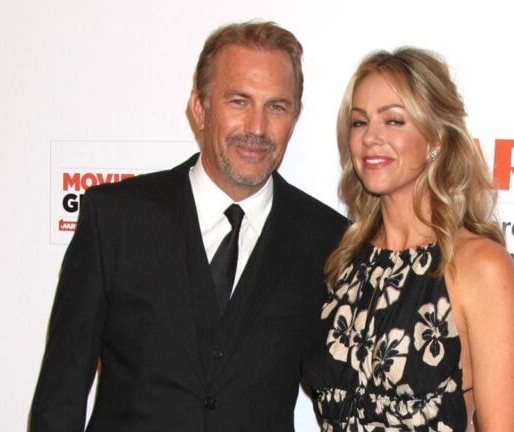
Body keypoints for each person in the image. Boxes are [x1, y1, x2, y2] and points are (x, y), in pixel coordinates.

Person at [30, 21, 347, 431]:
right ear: (199, 107)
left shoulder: (328, 240)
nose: (257, 128)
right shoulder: (115, 219)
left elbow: (344, 395)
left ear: (295, 117)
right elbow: (60, 399)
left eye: (276, 107)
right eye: (239, 101)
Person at [306, 48, 514, 431]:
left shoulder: (479, 266)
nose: (371, 138)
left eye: (393, 120)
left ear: (436, 137)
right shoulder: (341, 261)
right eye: (359, 122)